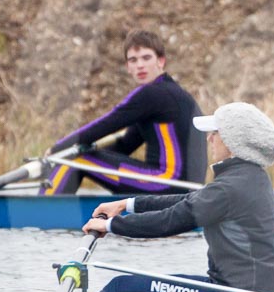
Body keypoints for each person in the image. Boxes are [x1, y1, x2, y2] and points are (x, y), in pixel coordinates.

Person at [81, 102, 274, 292]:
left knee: (121, 288)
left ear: (233, 142)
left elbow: (169, 221)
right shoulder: (251, 177)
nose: (209, 138)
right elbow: (188, 201)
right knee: (140, 290)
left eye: (215, 132)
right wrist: (127, 204)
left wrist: (109, 226)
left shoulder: (230, 187)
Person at [42, 30, 206, 196]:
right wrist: (94, 152)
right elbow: (127, 144)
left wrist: (58, 149)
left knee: (76, 159)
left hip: (166, 183)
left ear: (161, 61)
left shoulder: (152, 94)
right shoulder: (173, 94)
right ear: (128, 67)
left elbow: (106, 124)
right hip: (185, 189)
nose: (140, 65)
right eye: (133, 60)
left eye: (146, 58)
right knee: (81, 155)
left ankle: (39, 214)